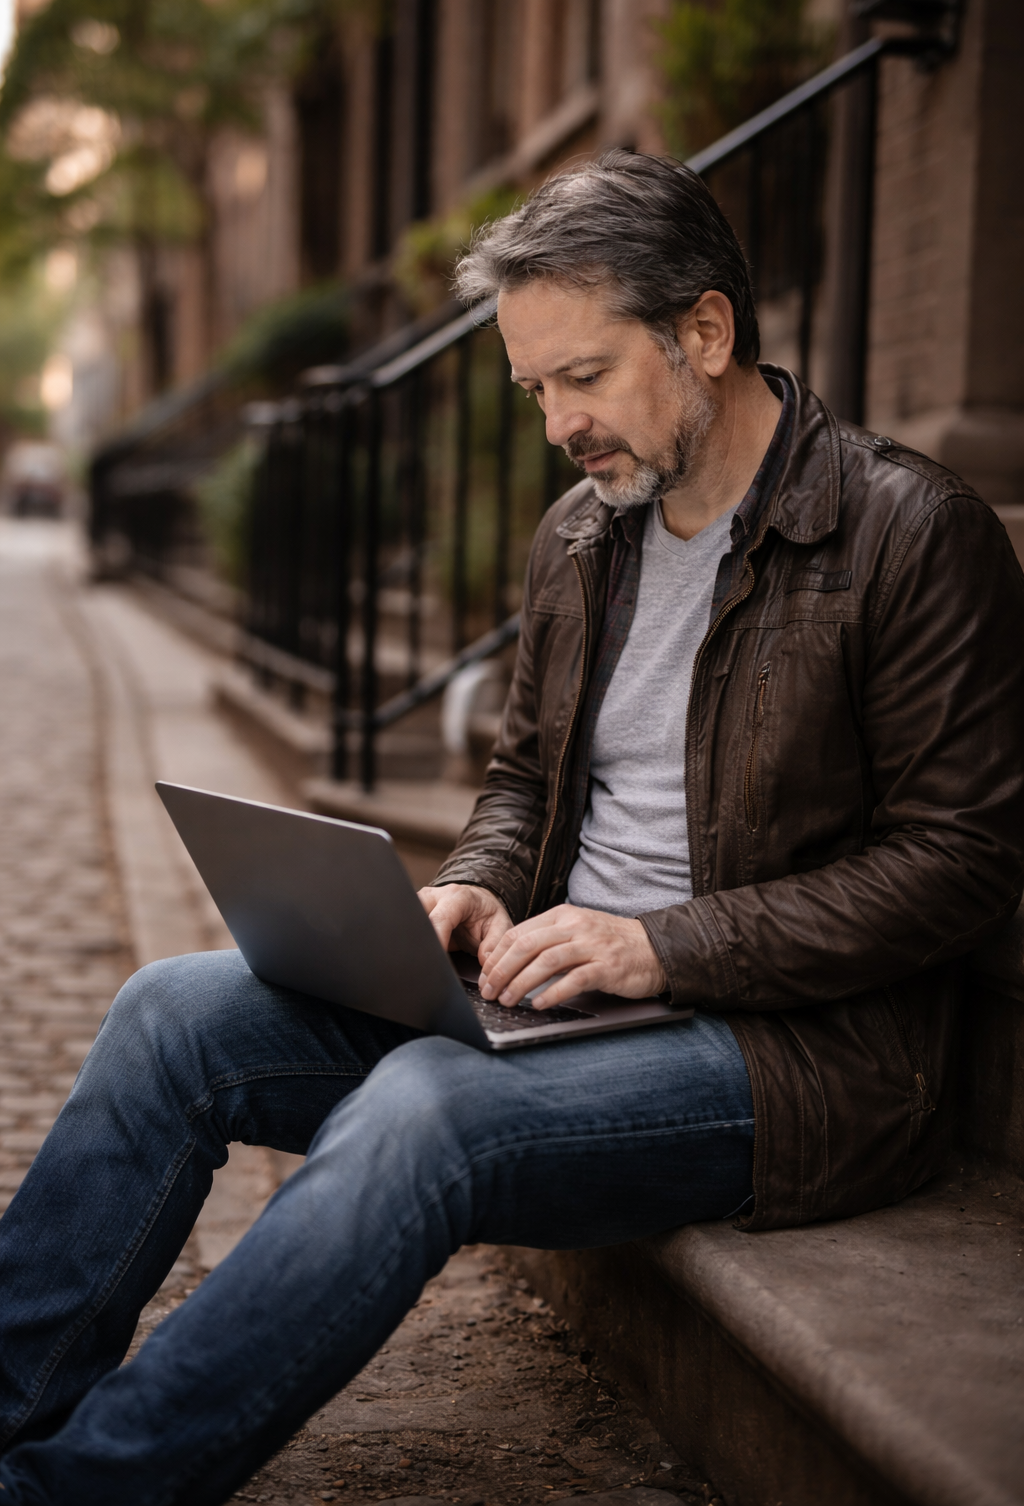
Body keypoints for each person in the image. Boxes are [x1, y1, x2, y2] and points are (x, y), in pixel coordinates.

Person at [1, 150, 1022, 1505]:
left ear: (705, 332)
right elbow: (525, 780)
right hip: (553, 1000)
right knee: (168, 1013)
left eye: (584, 377)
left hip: (791, 1058)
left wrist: (664, 946)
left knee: (426, 1110)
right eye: (534, 389)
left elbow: (962, 865)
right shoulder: (584, 536)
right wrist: (478, 884)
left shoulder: (911, 533)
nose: (558, 427)